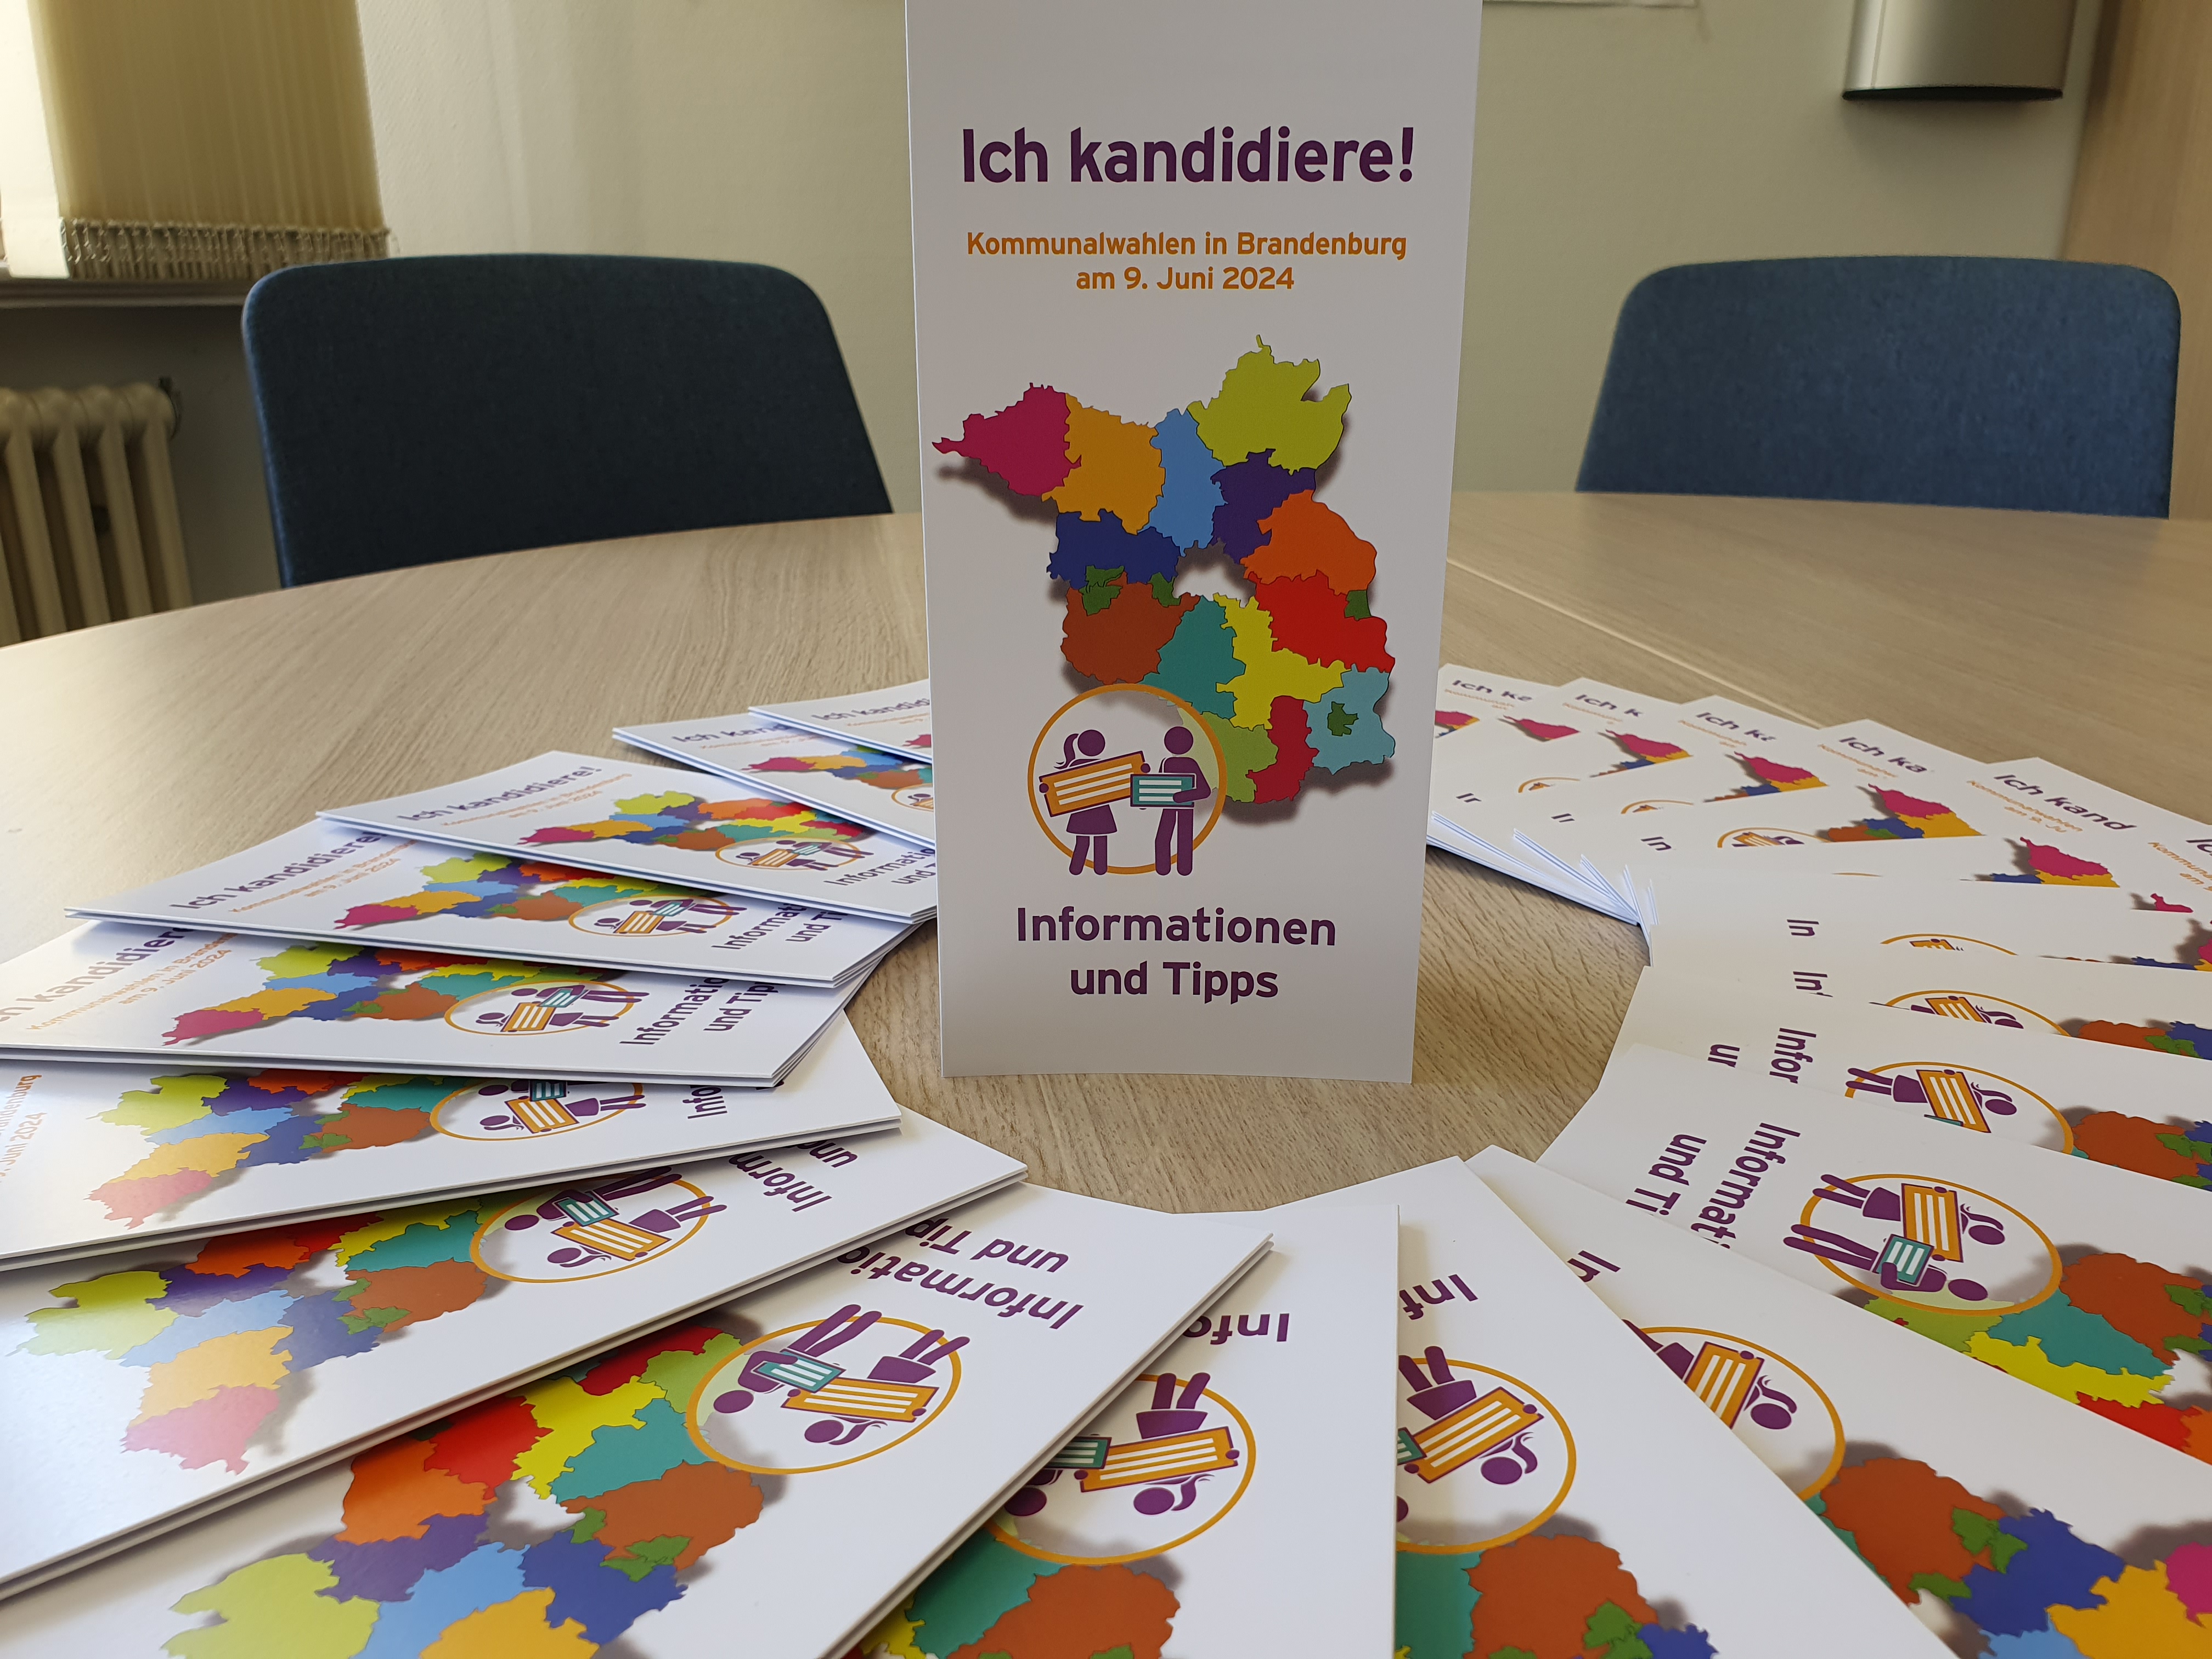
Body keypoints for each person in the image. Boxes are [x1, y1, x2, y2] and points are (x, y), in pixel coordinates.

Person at [1045, 727, 1120, 874]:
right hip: (1100, 813)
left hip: (1083, 813)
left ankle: (1077, 868)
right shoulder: (1105, 766)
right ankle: (1099, 869)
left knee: (1083, 842)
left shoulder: (1077, 764)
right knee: (1100, 842)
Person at [1154, 726, 1209, 876]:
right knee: (1162, 838)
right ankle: (1162, 868)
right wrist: (1145, 799)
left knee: (1184, 839)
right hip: (1168, 807)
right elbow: (1158, 787)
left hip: (1185, 808)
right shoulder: (1166, 763)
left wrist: (1182, 797)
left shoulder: (1191, 764)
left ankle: (1184, 869)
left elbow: (1205, 791)